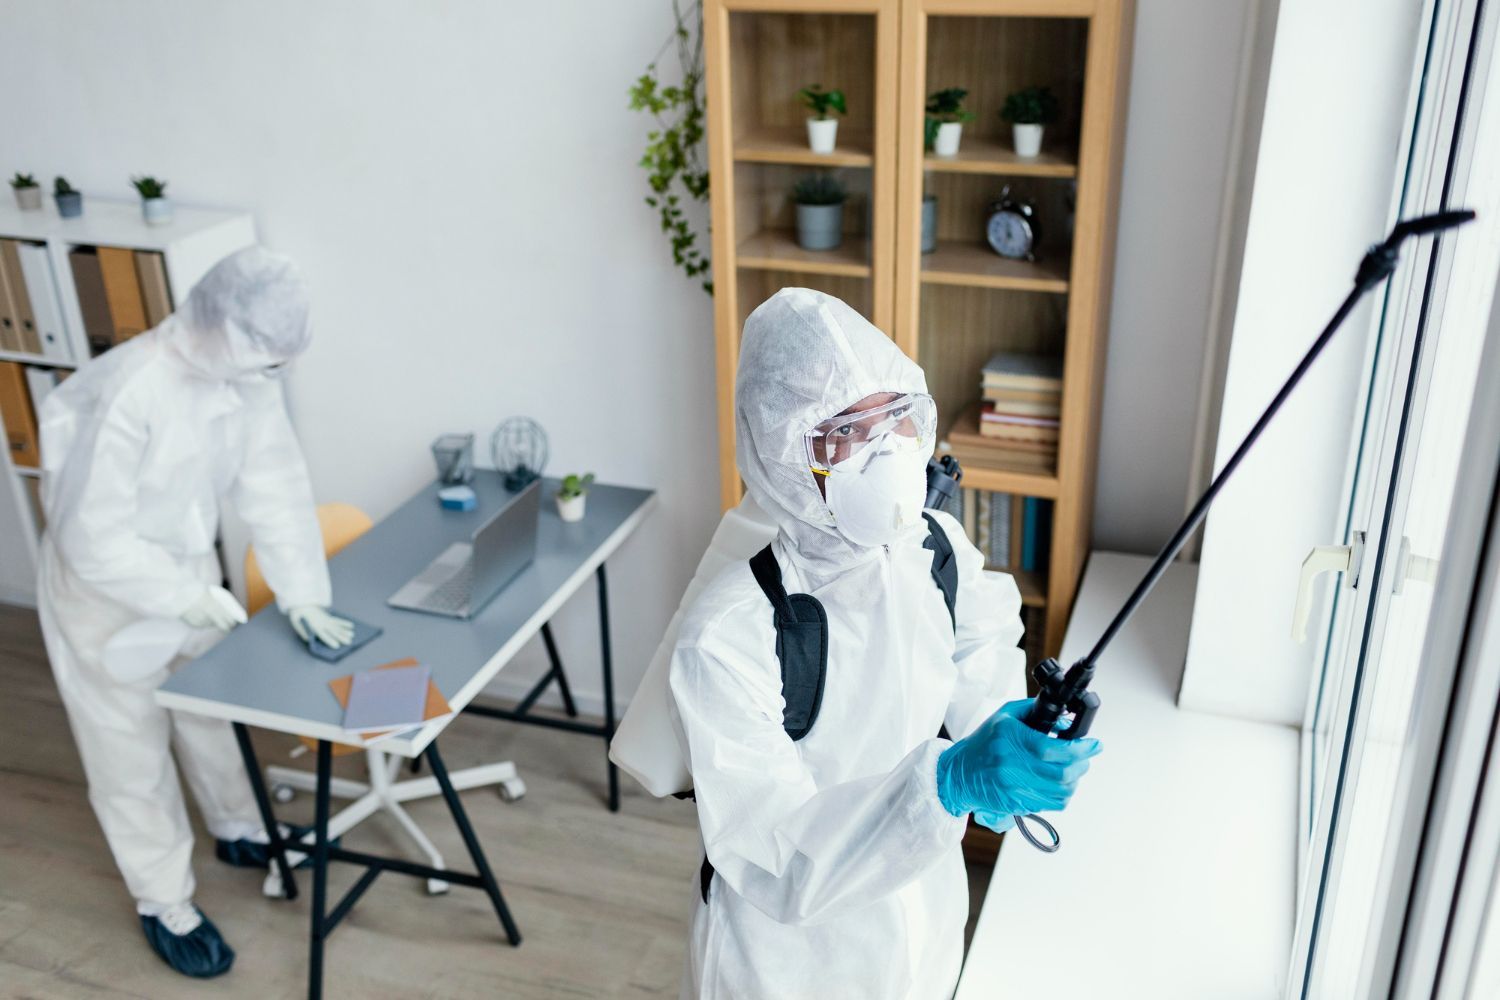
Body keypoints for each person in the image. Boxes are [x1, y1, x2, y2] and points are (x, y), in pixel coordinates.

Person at [668, 288, 1102, 998]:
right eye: (845, 432)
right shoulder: (729, 636)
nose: (886, 450)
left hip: (922, 918)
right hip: (786, 965)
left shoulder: (933, 548)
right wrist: (950, 782)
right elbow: (776, 854)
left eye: (894, 415)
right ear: (783, 456)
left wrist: (1013, 737)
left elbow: (981, 654)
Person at [34, 246, 354, 978]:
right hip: (103, 596)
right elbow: (92, 538)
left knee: (207, 712)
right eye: (267, 359)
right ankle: (163, 899)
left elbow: (273, 480)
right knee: (129, 749)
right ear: (226, 331)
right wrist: (184, 596)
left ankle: (237, 826)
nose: (276, 373)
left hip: (185, 574)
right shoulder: (128, 390)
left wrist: (303, 593)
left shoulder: (243, 374)